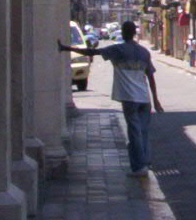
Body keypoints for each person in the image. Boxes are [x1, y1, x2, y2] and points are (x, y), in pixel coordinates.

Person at [58, 21, 163, 177]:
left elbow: (91, 53)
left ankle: (140, 167)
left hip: (130, 98)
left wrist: (67, 48)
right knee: (143, 132)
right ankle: (145, 162)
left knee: (134, 133)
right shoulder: (144, 52)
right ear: (134, 33)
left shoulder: (118, 49)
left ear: (123, 32)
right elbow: (151, 77)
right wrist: (156, 100)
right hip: (144, 99)